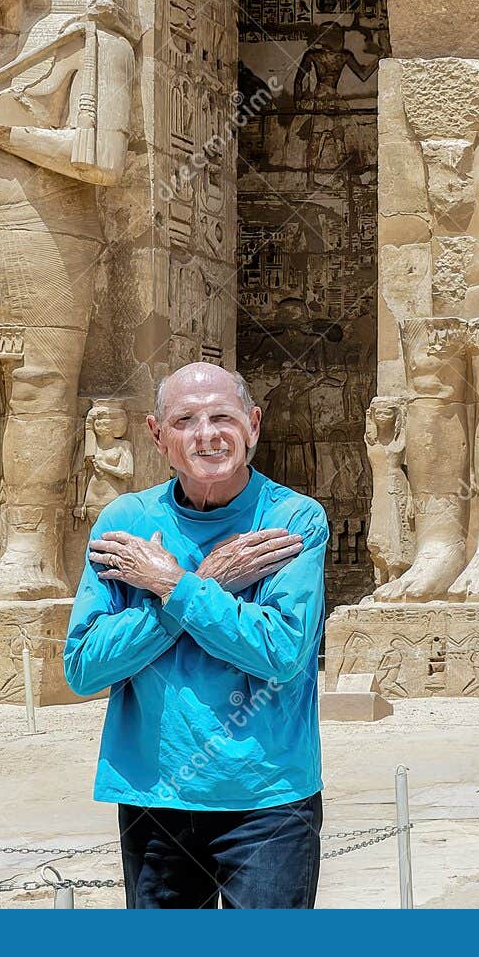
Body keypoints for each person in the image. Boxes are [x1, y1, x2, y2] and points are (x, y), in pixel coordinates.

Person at [63, 361, 329, 908]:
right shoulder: (126, 522)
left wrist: (168, 584)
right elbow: (84, 665)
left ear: (253, 425)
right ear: (158, 435)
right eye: (185, 420)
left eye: (222, 417)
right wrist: (201, 584)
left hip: (267, 798)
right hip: (153, 796)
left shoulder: (293, 521)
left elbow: (279, 650)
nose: (206, 435)